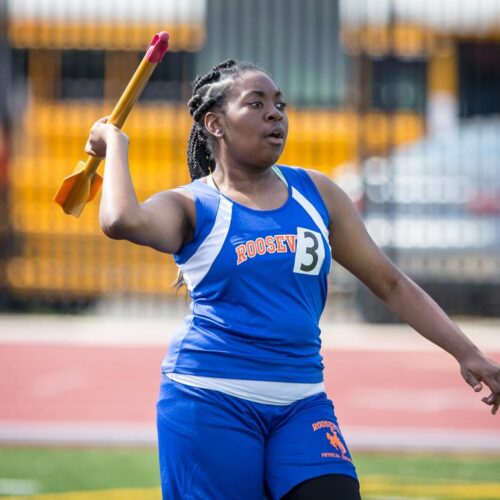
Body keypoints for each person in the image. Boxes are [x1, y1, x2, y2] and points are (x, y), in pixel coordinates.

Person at [85, 59, 500, 500]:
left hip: (302, 401)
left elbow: (390, 284)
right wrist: (114, 141)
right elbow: (119, 219)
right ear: (215, 124)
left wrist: (466, 351)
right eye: (256, 103)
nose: (275, 114)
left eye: (280, 104)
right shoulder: (193, 205)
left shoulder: (316, 193)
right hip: (209, 400)